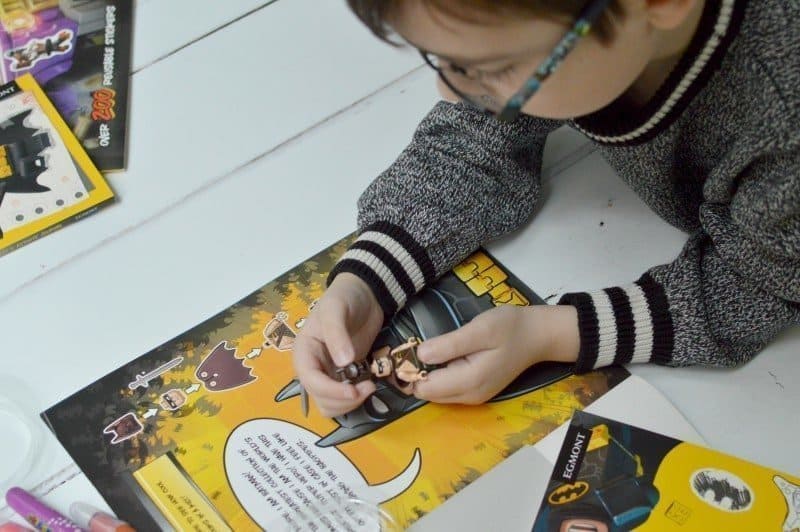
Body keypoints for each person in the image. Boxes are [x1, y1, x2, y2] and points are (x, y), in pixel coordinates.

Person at [293, 0, 800, 417]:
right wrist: (366, 281)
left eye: (488, 69)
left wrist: (553, 334)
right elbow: (475, 141)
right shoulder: (563, 32)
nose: (449, 92)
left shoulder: (784, 114)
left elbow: (761, 285)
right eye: (437, 60)